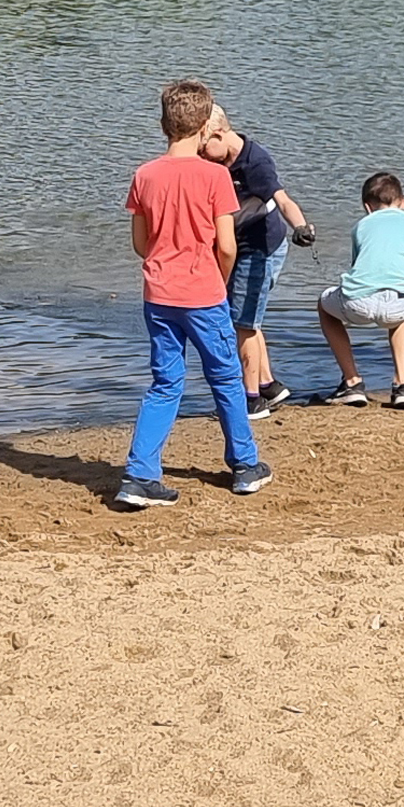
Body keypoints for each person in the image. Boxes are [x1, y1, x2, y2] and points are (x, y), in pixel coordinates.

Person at [115, 78, 265, 511]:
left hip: (159, 294)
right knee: (225, 377)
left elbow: (141, 244)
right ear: (205, 126)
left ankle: (140, 473)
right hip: (202, 293)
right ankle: (244, 465)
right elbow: (227, 245)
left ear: (164, 125)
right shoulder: (215, 176)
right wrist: (218, 279)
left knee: (165, 382)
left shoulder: (144, 175)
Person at [205, 113, 315, 413]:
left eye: (203, 146)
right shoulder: (215, 160)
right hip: (237, 245)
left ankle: (251, 399)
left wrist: (302, 227)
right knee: (248, 319)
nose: (201, 154)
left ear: (218, 134)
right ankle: (268, 385)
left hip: (261, 247)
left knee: (243, 323)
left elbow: (283, 199)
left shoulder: (256, 162)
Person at [314, 172, 404, 408]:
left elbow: (361, 275)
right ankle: (403, 385)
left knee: (324, 305)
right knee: (402, 314)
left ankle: (352, 383)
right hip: (399, 306)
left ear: (367, 208)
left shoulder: (361, 226)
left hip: (358, 302)